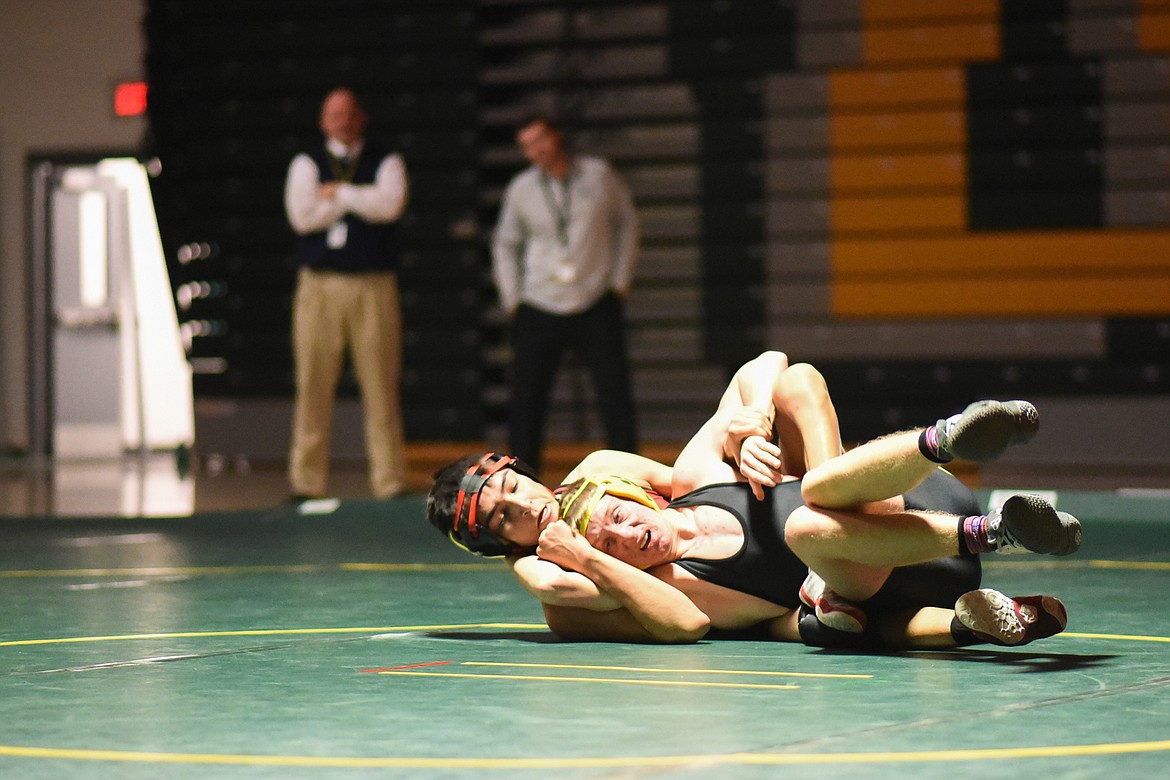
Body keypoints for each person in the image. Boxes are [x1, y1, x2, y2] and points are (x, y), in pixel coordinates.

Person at [427, 353, 1081, 649]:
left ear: (639, 493)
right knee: (814, 548)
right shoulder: (662, 585)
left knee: (812, 475)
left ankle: (951, 458)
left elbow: (771, 365)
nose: (626, 533)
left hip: (905, 499)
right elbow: (658, 616)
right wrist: (579, 559)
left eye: (515, 490)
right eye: (506, 519)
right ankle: (983, 554)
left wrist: (747, 428)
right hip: (897, 574)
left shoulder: (683, 475)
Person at [491, 115, 640, 476]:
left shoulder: (599, 175)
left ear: (556, 136)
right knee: (527, 400)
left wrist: (619, 283)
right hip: (539, 302)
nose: (536, 149)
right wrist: (513, 300)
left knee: (614, 395)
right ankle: (523, 478)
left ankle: (633, 477)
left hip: (595, 298)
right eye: (526, 145)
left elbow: (627, 224)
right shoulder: (521, 188)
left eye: (540, 138)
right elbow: (505, 244)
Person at [283, 87, 409, 500]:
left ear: (361, 118)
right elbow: (303, 217)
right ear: (323, 121)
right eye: (334, 114)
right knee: (313, 383)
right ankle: (306, 481)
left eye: (349, 114)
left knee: (380, 384)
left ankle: (389, 480)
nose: (342, 121)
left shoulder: (386, 159)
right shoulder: (305, 163)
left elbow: (389, 205)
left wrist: (337, 194)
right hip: (320, 286)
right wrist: (360, 200)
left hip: (373, 285)